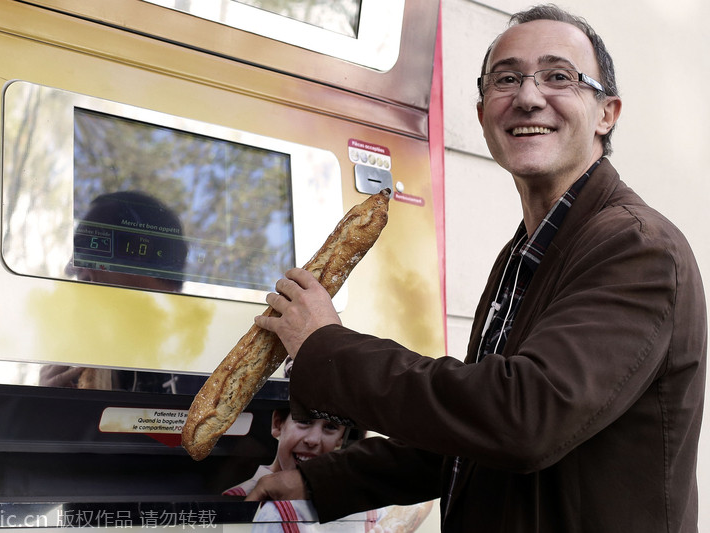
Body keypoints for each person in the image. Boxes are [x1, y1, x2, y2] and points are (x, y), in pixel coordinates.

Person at [245, 5, 707, 533]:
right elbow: (468, 439)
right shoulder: (524, 254)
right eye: (506, 79)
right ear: (484, 111)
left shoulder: (637, 248)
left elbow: (520, 419)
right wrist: (320, 482)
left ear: (607, 113)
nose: (529, 97)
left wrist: (325, 347)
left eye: (559, 77)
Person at [225, 408, 431, 533]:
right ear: (278, 423)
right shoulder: (237, 498)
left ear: (341, 438)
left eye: (330, 427)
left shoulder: (364, 504)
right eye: (304, 422)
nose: (313, 440)